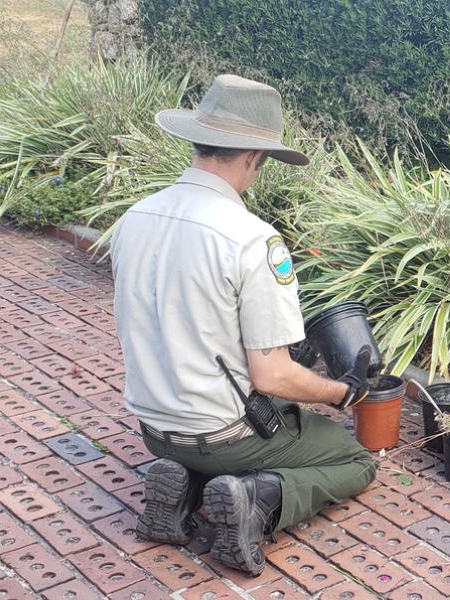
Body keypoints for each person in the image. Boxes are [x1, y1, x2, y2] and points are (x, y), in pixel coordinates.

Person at [109, 74, 377, 576]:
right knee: (354, 460)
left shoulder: (134, 217)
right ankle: (257, 497)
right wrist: (340, 394)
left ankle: (183, 488)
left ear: (198, 141)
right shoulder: (252, 239)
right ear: (254, 157)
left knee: (241, 417)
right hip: (222, 436)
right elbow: (271, 376)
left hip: (153, 428)